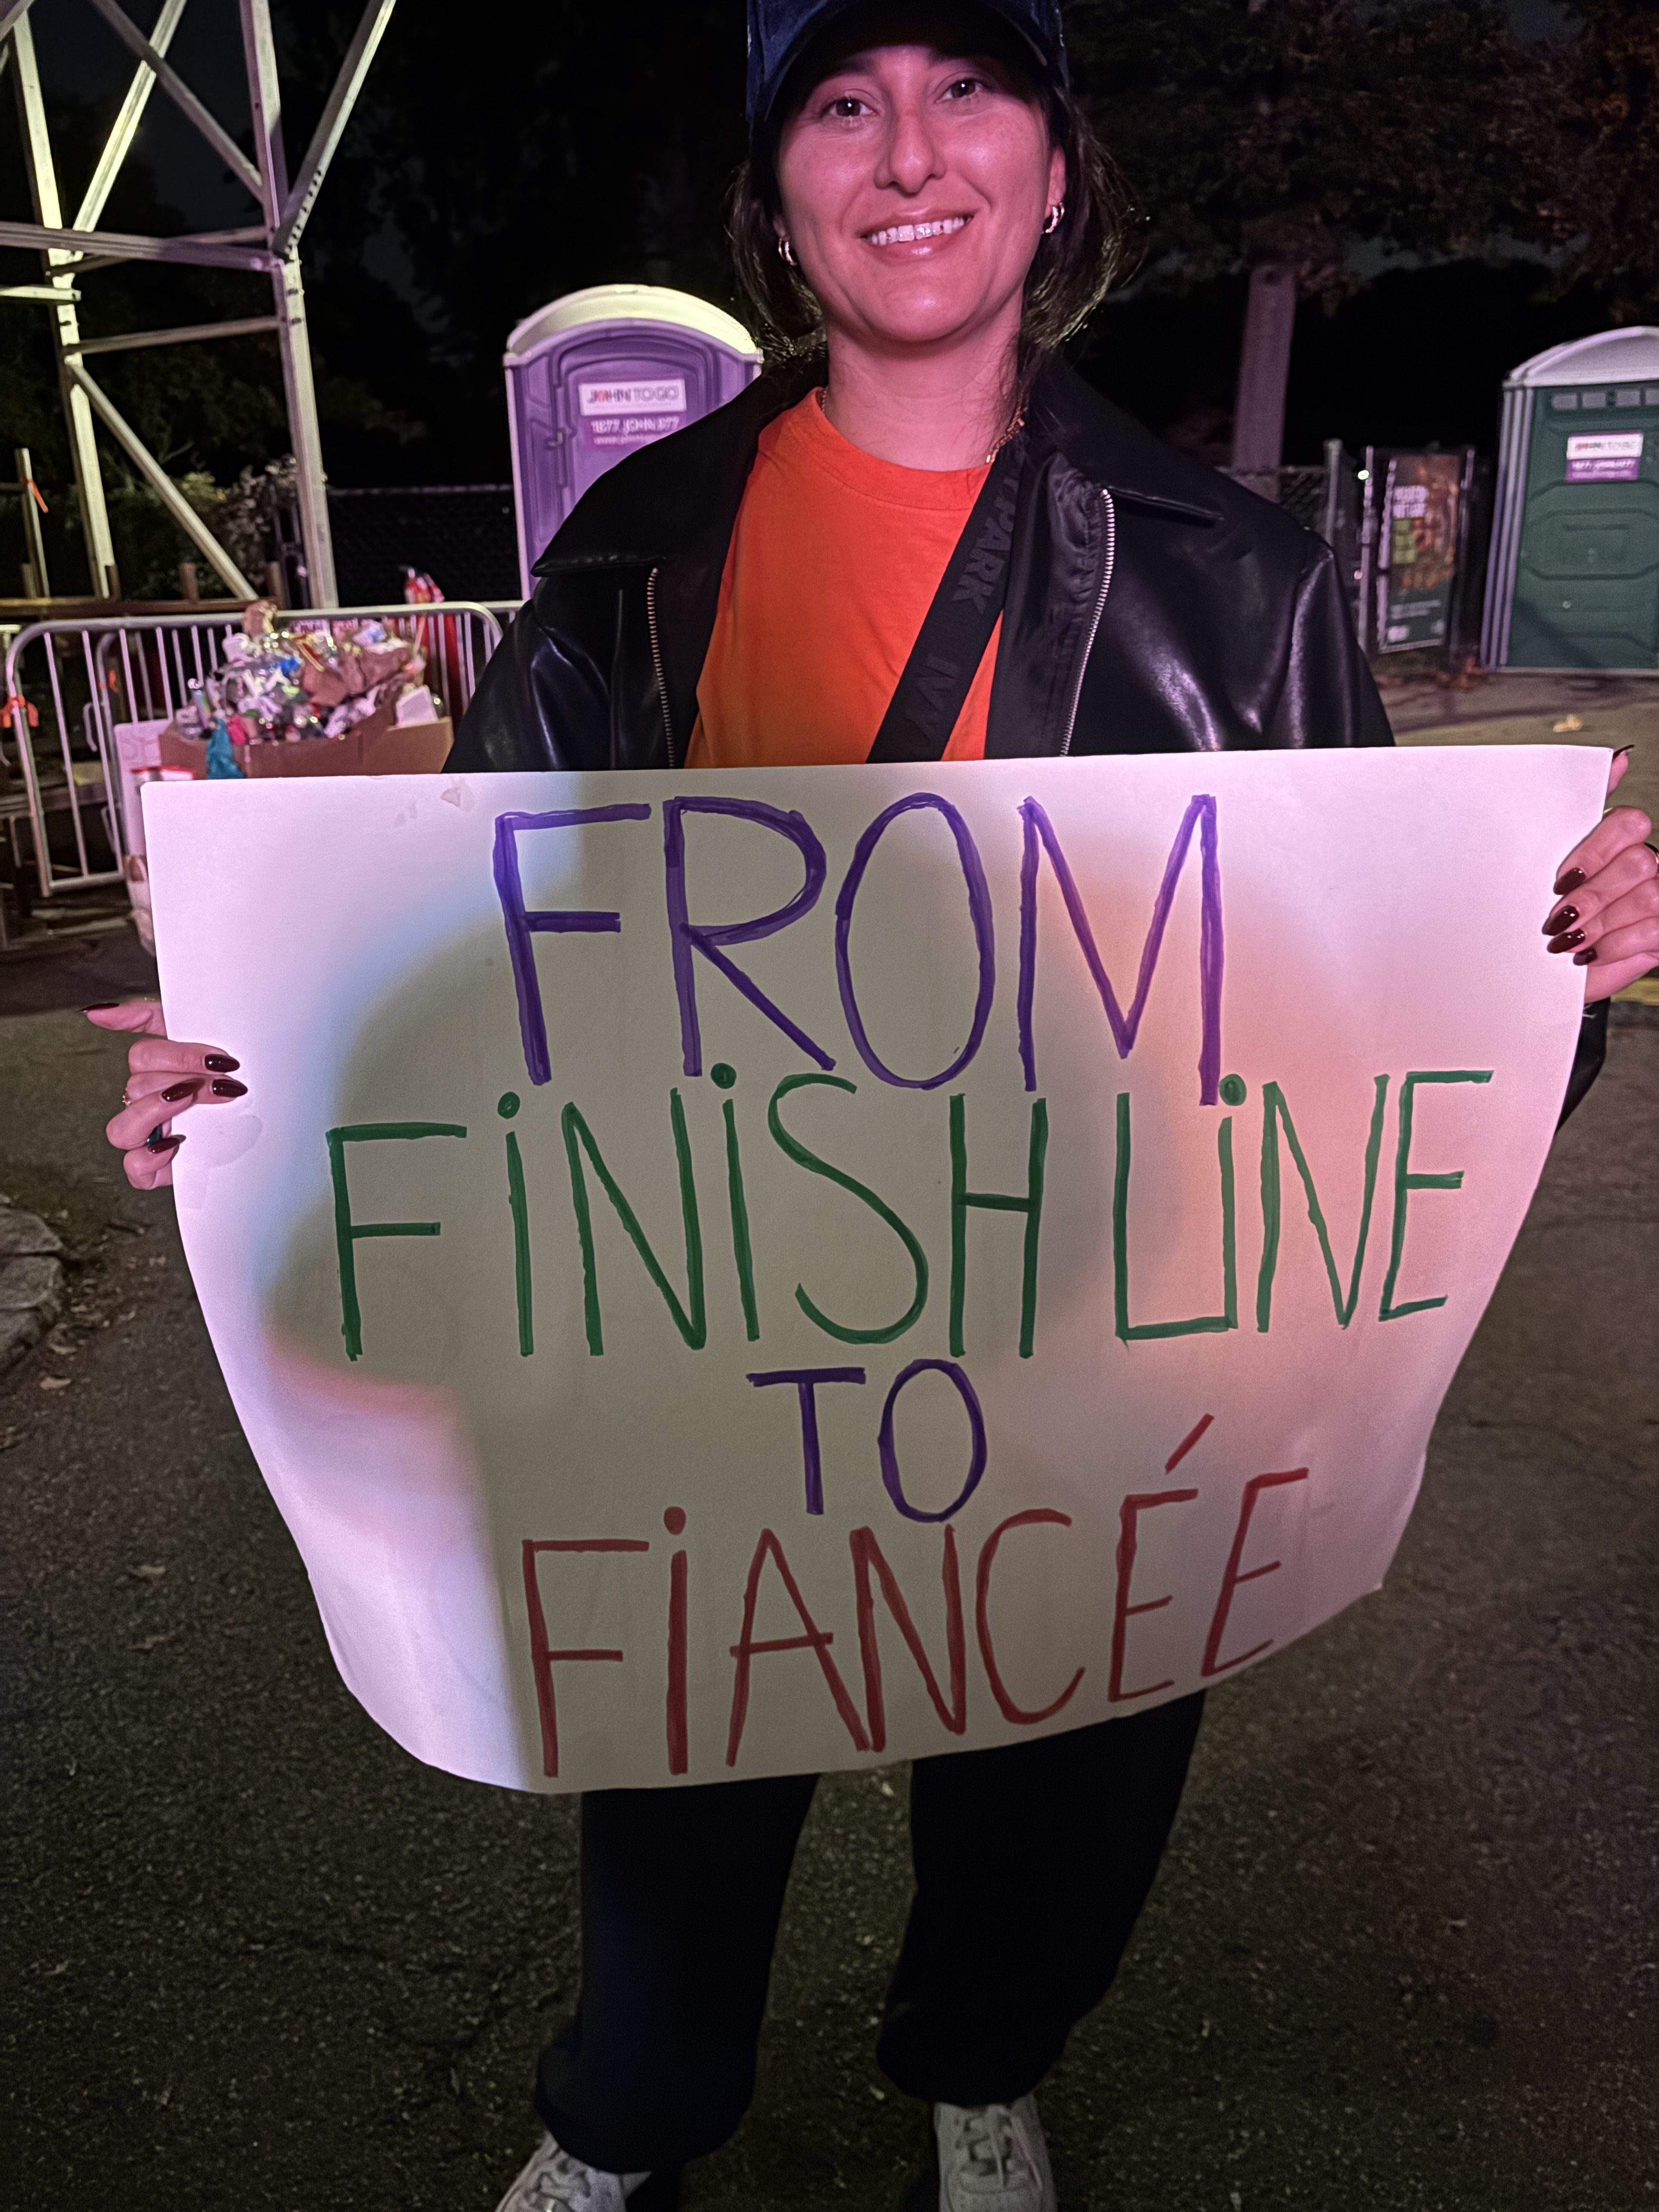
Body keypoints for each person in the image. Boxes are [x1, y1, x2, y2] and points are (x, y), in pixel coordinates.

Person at [88, 2, 1658, 2205]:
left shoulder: (1238, 579)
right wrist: (245, 1070)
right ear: (780, 194)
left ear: (1056, 167)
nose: (910, 151)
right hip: (707, 1355)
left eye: (966, 88)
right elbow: (457, 958)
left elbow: (1376, 1033)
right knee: (678, 1782)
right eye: (843, 102)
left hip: (1107, 1356)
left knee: (1061, 1797)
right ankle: (624, 2124)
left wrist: (1557, 949)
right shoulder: (640, 550)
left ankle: (976, 2070)